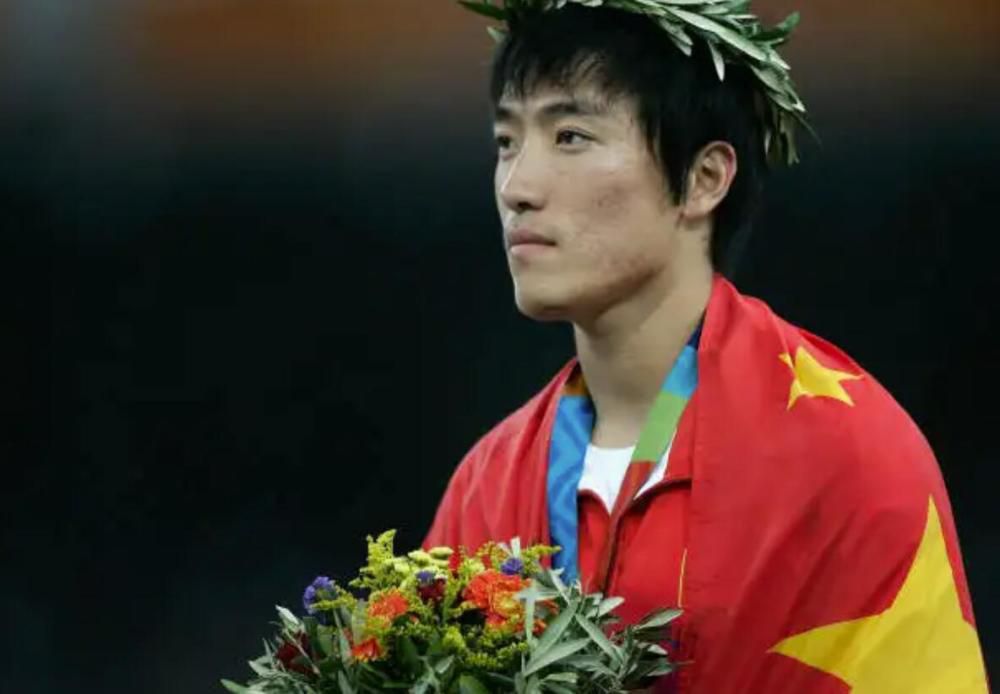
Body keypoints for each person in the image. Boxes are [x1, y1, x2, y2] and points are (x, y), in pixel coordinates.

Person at [424, 2, 989, 691]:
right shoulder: (487, 486)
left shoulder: (843, 457)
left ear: (703, 179)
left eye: (570, 136)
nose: (516, 188)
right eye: (507, 142)